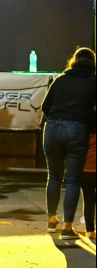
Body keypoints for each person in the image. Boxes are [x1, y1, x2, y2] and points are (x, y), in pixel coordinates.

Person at [41, 47, 96, 240]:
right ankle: (67, 227)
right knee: (73, 179)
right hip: (77, 129)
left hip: (52, 128)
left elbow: (45, 106)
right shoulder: (93, 82)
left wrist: (57, 120)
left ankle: (51, 220)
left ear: (73, 61)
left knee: (54, 176)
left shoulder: (60, 80)